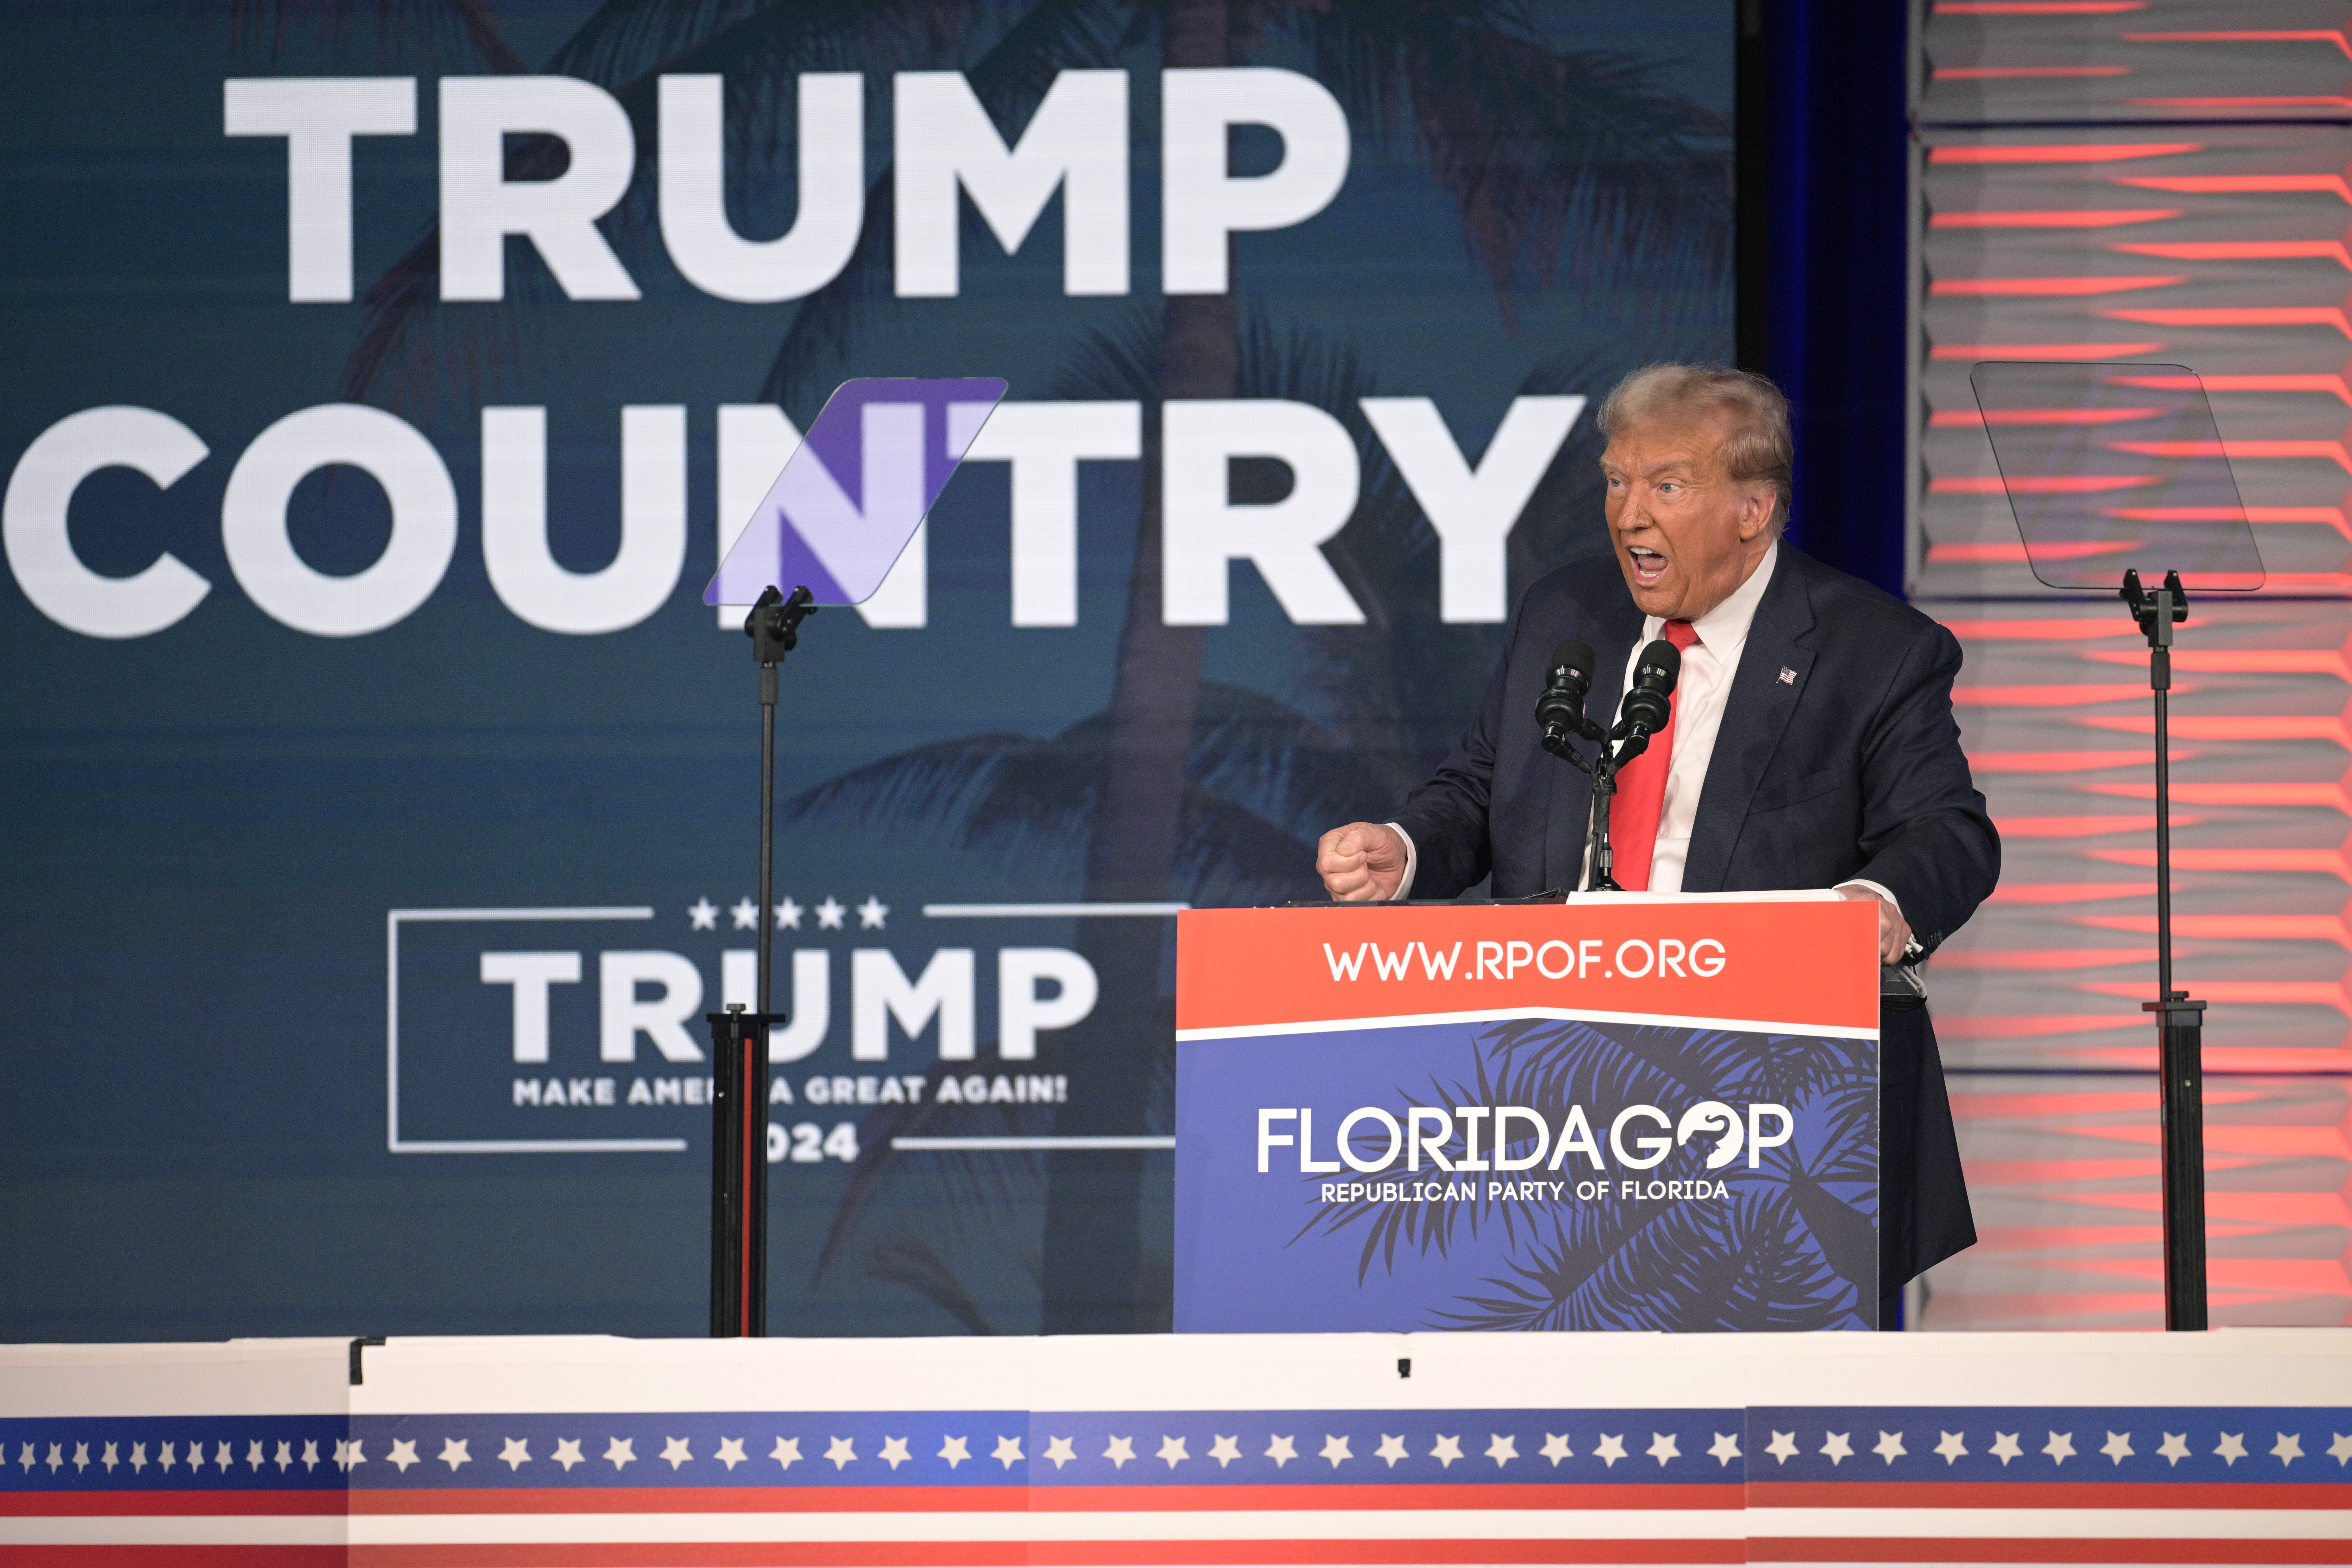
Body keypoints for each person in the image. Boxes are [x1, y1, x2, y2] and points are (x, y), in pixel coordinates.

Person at [1315, 363, 1998, 1329]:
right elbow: (1482, 784)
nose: (1630, 516)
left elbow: (1948, 832)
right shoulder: (1568, 615)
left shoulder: (1874, 650)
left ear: (1754, 508)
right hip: (1559, 1102)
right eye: (1615, 482)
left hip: (1767, 1110)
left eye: (1666, 487)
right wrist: (1405, 847)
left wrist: (1872, 910)